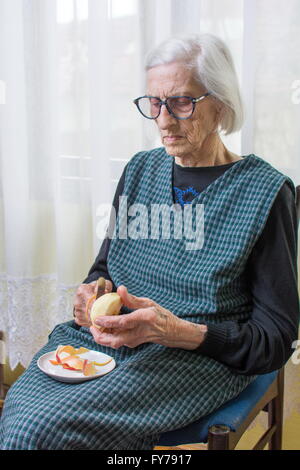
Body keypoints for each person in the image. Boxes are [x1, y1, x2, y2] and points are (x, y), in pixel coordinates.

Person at [0, 33, 299, 450]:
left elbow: (275, 339)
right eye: (153, 103)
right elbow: (105, 268)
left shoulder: (266, 192)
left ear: (221, 104)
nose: (162, 119)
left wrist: (177, 332)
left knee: (44, 430)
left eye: (180, 102)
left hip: (197, 358)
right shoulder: (140, 170)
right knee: (20, 413)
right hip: (104, 343)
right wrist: (92, 295)